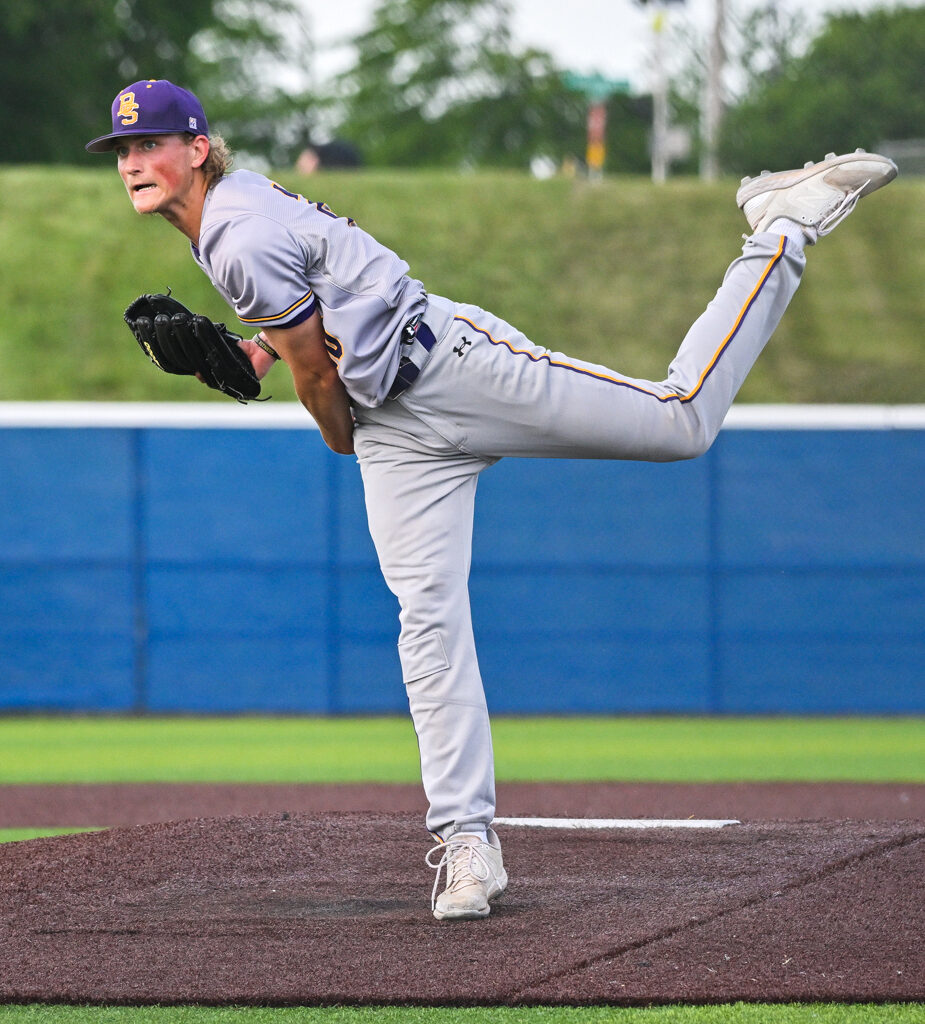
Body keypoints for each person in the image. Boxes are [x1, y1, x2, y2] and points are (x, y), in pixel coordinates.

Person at [86, 79, 896, 921]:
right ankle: (466, 838)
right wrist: (260, 354)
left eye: (152, 145)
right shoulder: (235, 209)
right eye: (123, 150)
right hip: (397, 417)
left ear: (198, 149)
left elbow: (322, 386)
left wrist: (317, 411)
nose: (135, 162)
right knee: (426, 620)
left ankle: (778, 228)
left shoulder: (233, 232)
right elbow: (321, 295)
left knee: (679, 420)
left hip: (450, 369)